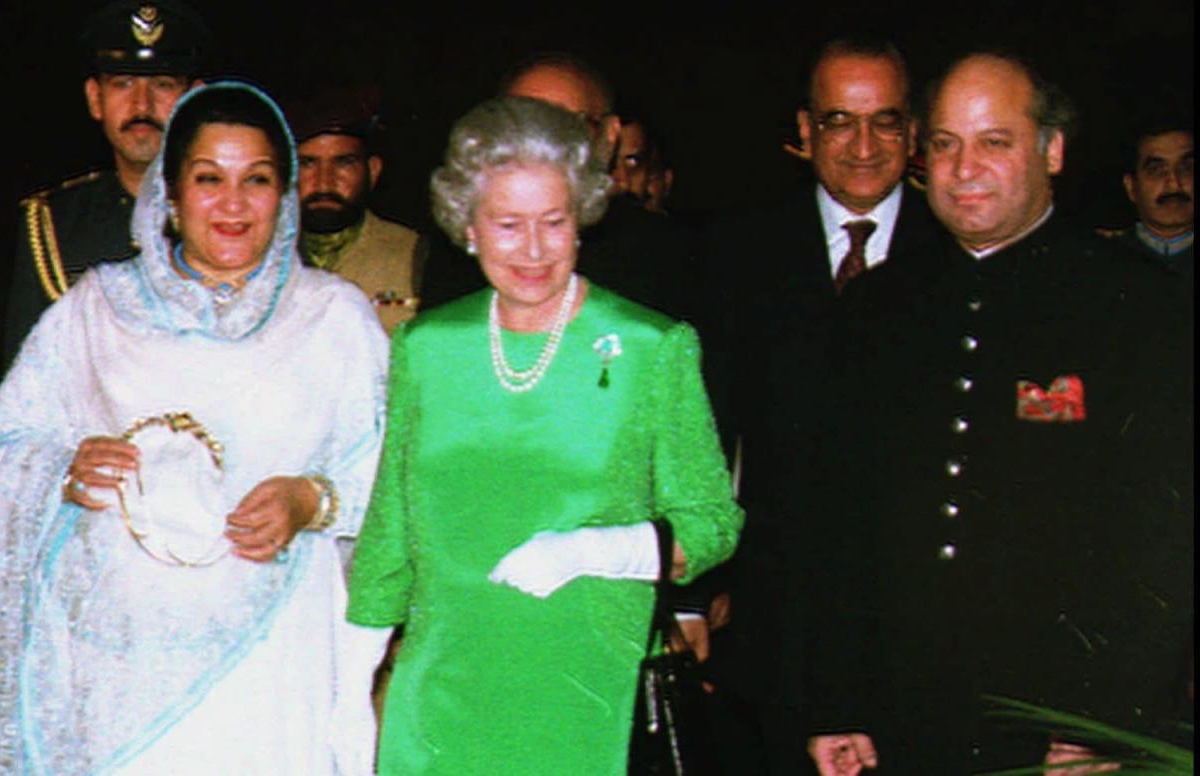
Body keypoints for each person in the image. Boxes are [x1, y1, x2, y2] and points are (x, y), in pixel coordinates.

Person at [0, 82, 389, 774]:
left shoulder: (335, 319)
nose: (232, 203)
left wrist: (313, 502)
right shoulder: (95, 308)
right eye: (207, 178)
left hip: (272, 668)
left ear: (284, 197)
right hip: (115, 673)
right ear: (169, 193)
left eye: (257, 179)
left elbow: (391, 474)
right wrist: (60, 470)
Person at [808, 52, 1193, 774]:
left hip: (1057, 721)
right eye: (946, 143)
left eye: (994, 141)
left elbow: (1163, 545)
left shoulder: (1138, 308)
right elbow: (835, 524)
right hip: (901, 714)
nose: (963, 167)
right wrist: (836, 701)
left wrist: (1099, 723)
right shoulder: (876, 309)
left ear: (1051, 150)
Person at [346, 96, 742, 774]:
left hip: (588, 694)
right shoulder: (426, 347)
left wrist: (598, 548)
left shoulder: (652, 347)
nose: (533, 250)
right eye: (507, 224)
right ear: (467, 227)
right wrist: (352, 677)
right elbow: (391, 523)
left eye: (554, 223)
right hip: (445, 696)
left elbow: (711, 523)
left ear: (582, 218)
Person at [702, 36, 943, 775]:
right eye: (841, 121)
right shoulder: (735, 255)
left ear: (914, 131)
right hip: (775, 633)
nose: (864, 146)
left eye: (886, 121)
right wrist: (695, 592)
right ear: (805, 133)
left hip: (928, 632)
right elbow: (706, 435)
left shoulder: (959, 250)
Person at [4, 0, 210, 363]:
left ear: (194, 99)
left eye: (162, 84)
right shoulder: (55, 225)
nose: (142, 105)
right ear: (95, 99)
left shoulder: (238, 214)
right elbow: (23, 390)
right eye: (123, 83)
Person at [421, 53, 697, 321]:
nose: (542, 140)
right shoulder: (454, 263)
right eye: (522, 123)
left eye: (568, 124)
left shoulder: (670, 258)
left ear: (610, 135)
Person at [289, 85, 428, 333]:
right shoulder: (262, 255)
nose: (324, 181)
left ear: (372, 171)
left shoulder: (415, 255)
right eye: (307, 164)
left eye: (343, 163)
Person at [1116, 121, 1193, 263]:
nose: (1174, 184)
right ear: (1131, 187)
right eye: (1157, 171)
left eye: (1187, 168)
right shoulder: (1100, 259)